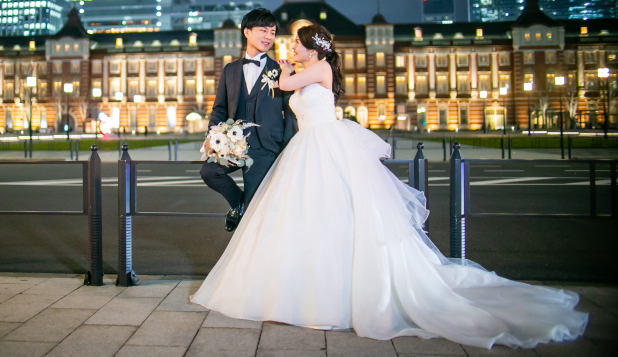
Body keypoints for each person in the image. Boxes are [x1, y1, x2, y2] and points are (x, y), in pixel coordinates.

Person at [190, 24, 588, 349]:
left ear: (314, 49)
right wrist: (282, 66)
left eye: (296, 42)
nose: (290, 46)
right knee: (312, 216)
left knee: (335, 213)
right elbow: (286, 86)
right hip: (309, 145)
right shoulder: (309, 67)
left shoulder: (320, 68)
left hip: (323, 145)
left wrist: (283, 64)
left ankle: (330, 289)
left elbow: (288, 85)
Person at [200, 8, 298, 231]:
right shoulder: (230, 70)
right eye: (263, 30)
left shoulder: (280, 70)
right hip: (234, 147)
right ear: (247, 32)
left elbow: (290, 113)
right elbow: (219, 108)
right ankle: (238, 204)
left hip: (266, 149)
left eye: (272, 32)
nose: (268, 37)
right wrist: (212, 138)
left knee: (257, 214)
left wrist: (285, 147)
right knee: (209, 172)